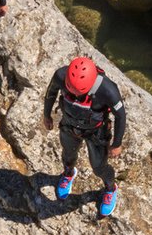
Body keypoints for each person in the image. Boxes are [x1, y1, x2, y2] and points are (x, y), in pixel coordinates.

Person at [42, 56, 125, 217]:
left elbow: (120, 115)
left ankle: (110, 188)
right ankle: (68, 173)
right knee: (68, 154)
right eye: (70, 90)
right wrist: (47, 115)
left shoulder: (108, 90)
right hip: (69, 125)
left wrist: (117, 143)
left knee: (99, 167)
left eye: (78, 93)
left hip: (96, 132)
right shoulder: (60, 75)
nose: (73, 94)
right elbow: (50, 93)